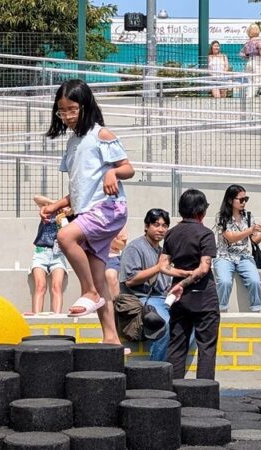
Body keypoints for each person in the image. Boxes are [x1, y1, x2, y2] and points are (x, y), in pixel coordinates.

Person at [41, 79, 135, 347]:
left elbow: (128, 168)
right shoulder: (73, 143)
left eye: (72, 109)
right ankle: (111, 338)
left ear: (85, 106)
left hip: (109, 209)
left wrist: (112, 171)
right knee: (99, 276)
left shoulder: (100, 135)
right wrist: (56, 206)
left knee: (65, 237)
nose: (68, 116)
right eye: (62, 111)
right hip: (88, 212)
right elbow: (82, 188)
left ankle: (89, 292)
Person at [158, 189, 221, 380]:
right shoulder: (206, 234)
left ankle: (174, 390)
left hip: (179, 298)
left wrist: (181, 277)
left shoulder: (171, 233)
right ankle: (204, 395)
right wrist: (188, 279)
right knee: (207, 347)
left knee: (177, 345)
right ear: (201, 210)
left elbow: (163, 266)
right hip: (204, 298)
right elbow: (203, 268)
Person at [119, 209, 172, 361]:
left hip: (164, 298)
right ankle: (155, 368)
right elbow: (130, 280)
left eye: (164, 225)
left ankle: (171, 364)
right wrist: (158, 268)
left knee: (191, 324)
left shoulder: (163, 251)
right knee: (165, 325)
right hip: (140, 298)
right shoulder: (134, 248)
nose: (161, 229)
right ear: (146, 226)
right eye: (156, 225)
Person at [213, 185, 261, 313]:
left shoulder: (248, 216)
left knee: (255, 281)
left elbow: (253, 240)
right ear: (231, 200)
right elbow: (231, 238)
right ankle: (221, 310)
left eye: (245, 199)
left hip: (244, 256)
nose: (244, 202)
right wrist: (250, 230)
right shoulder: (221, 217)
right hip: (224, 256)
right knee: (224, 282)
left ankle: (256, 310)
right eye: (241, 199)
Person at [239, 23, 261, 97]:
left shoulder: (247, 42)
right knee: (257, 81)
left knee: (250, 81)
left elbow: (241, 53)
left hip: (249, 61)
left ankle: (247, 96)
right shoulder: (259, 41)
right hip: (257, 61)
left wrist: (247, 56)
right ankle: (250, 97)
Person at [105, 225, 128, 303]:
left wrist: (107, 236)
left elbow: (122, 246)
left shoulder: (119, 220)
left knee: (111, 276)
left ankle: (116, 308)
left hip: (111, 257)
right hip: (94, 256)